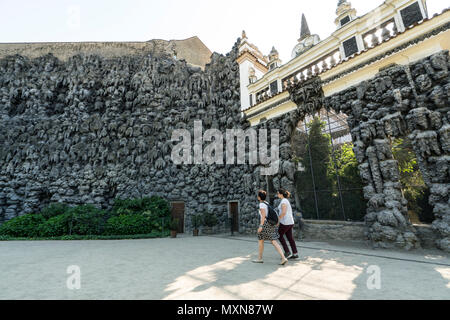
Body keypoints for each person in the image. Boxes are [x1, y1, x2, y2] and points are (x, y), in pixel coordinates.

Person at [252, 190, 288, 265]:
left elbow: (263, 216)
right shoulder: (266, 203)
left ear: (259, 197)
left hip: (265, 224)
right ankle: (283, 257)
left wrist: (261, 226)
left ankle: (260, 258)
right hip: (270, 224)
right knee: (269, 240)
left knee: (266, 240)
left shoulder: (261, 205)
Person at [277, 188, 299, 260]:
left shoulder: (283, 201)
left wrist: (278, 220)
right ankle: (295, 253)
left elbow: (283, 212)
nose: (277, 195)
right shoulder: (286, 200)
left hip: (285, 222)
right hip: (290, 222)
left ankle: (287, 252)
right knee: (290, 238)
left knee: (279, 235)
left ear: (281, 194)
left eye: (278, 193)